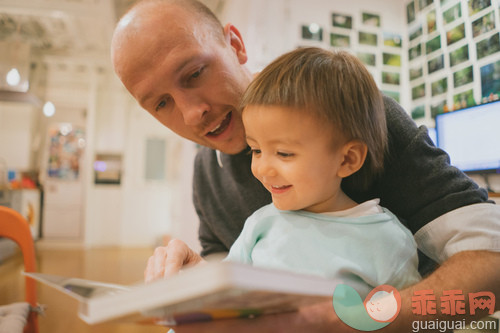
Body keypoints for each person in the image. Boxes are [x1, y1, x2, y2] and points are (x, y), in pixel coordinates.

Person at [111, 0, 500, 331]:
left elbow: (491, 267)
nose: (193, 114)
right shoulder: (206, 172)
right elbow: (227, 257)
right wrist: (200, 277)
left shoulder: (354, 121)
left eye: (195, 73)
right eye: (161, 103)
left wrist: (363, 319)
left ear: (236, 45)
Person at [158, 47, 423, 297]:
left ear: (347, 160)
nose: (261, 168)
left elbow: (406, 318)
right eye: (256, 150)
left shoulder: (386, 241)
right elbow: (227, 290)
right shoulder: (260, 224)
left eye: (284, 153)